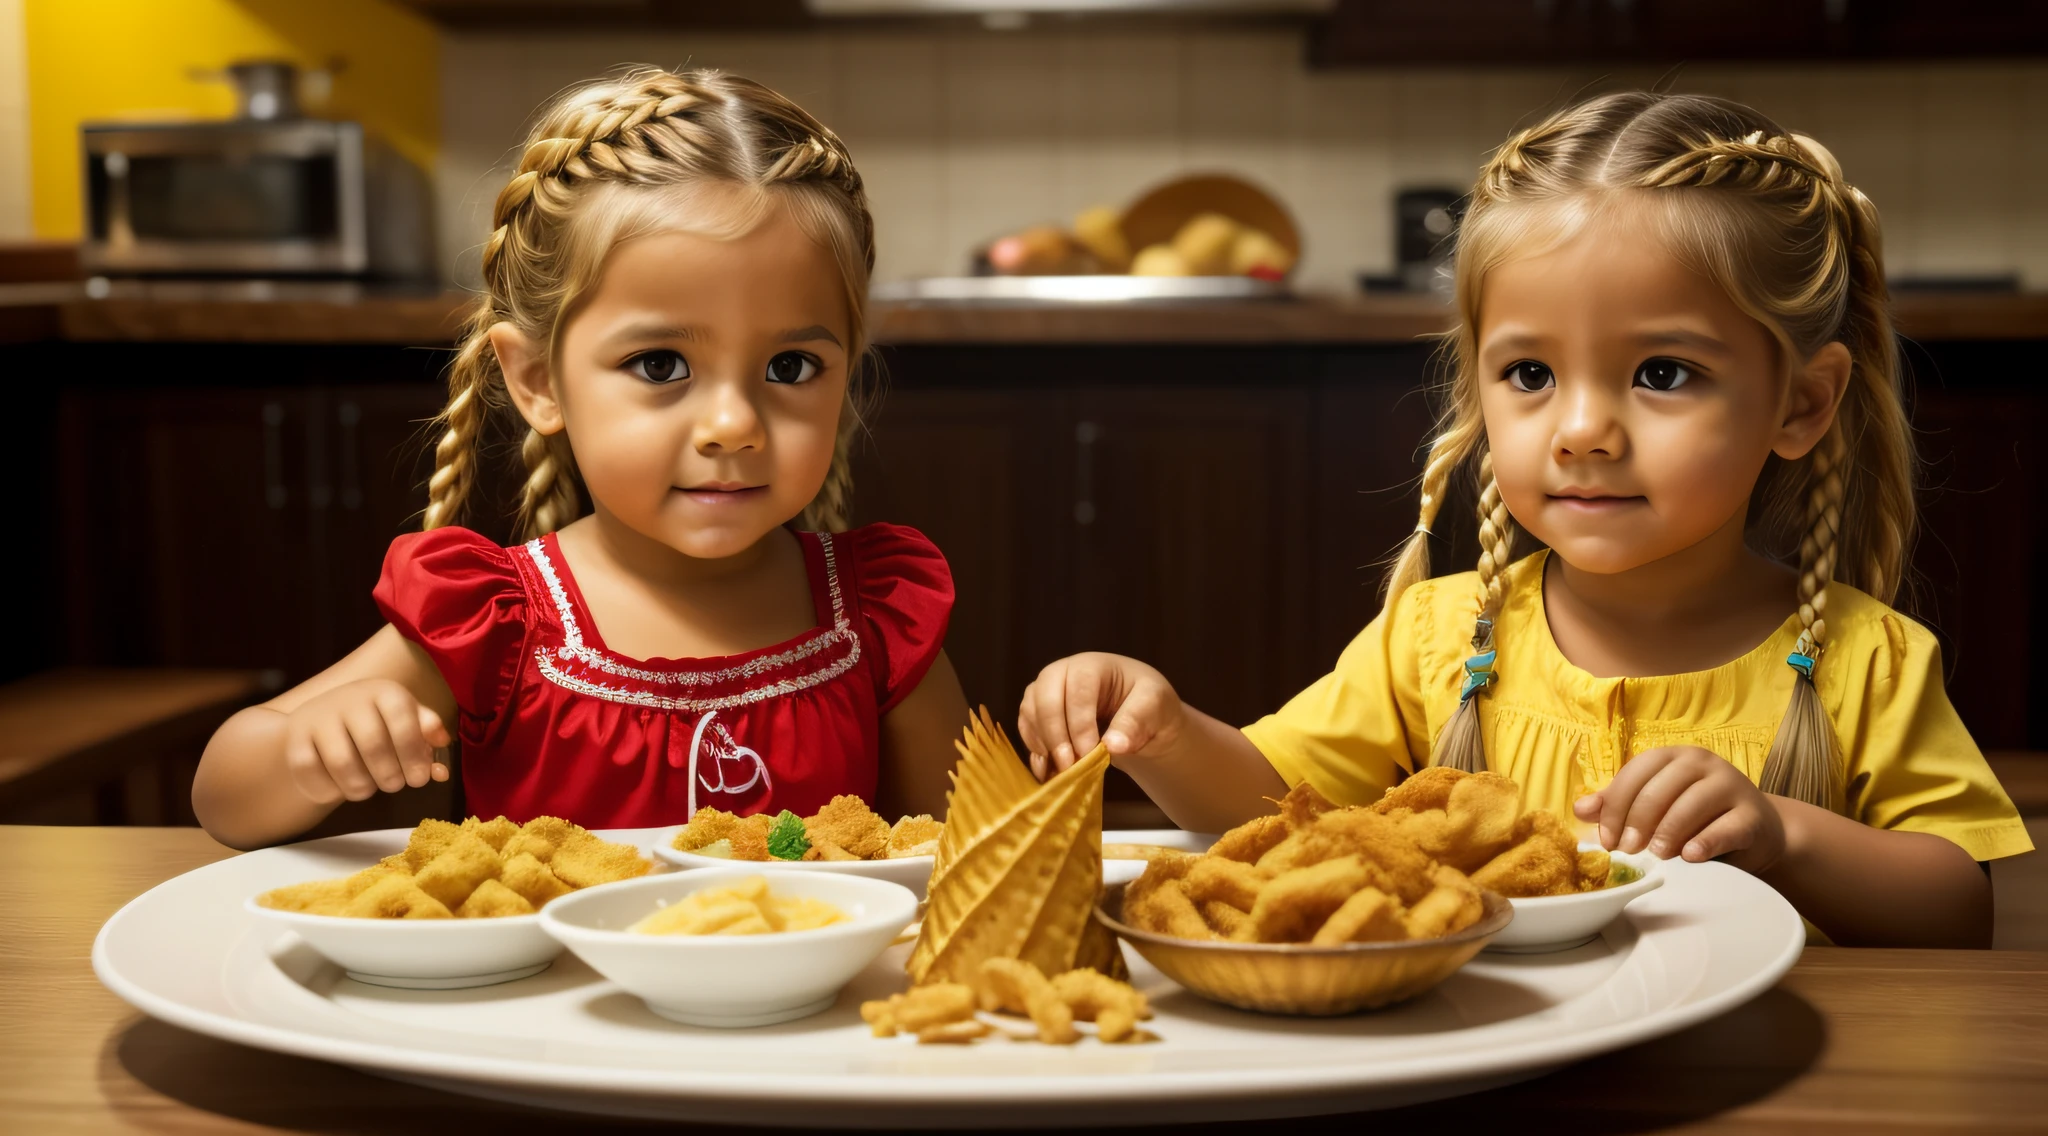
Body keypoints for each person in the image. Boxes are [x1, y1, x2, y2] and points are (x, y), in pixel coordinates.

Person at [1016, 91, 2030, 948]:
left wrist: (1782, 834)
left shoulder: (1870, 660)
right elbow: (1267, 806)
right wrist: (1157, 727)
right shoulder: (1439, 637)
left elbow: (1955, 904)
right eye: (1530, 373)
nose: (1582, 429)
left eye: (1661, 373)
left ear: (1800, 405)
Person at [196, 69, 967, 849]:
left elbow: (967, 852)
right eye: (661, 365)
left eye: (791, 369)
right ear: (538, 381)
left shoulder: (874, 616)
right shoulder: (495, 622)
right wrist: (306, 753)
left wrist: (1079, 711)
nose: (734, 425)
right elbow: (224, 798)